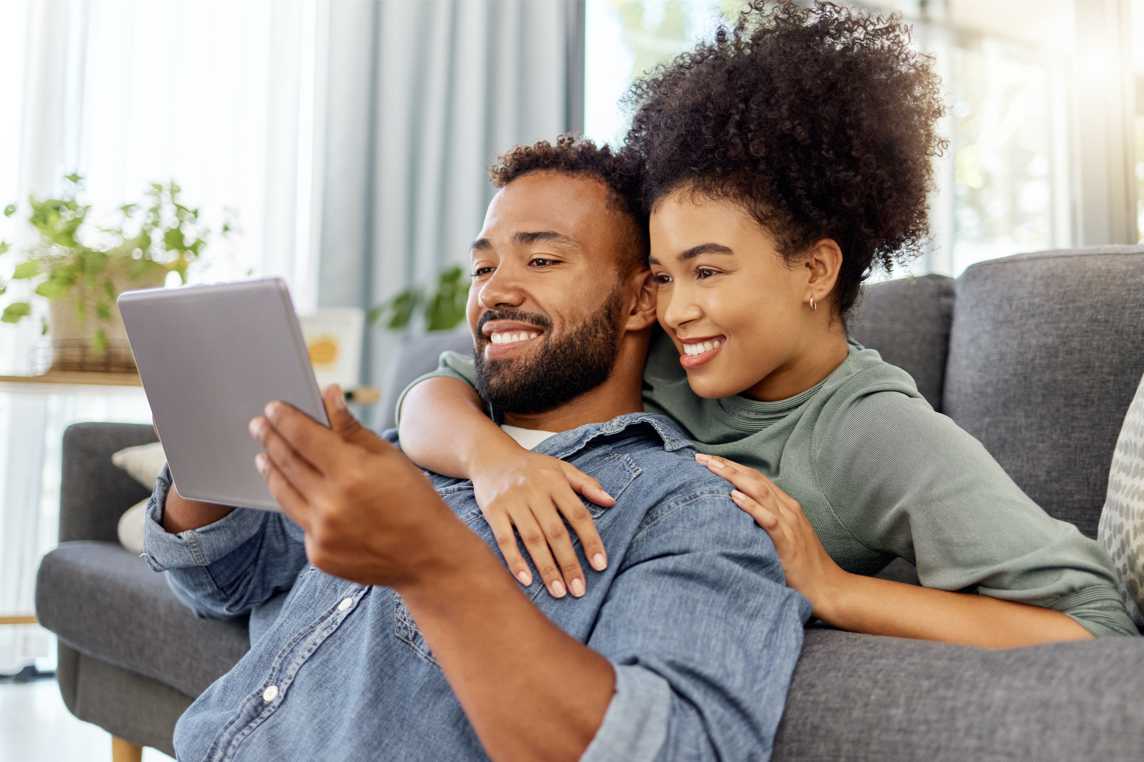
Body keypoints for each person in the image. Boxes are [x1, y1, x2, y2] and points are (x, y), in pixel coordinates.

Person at [396, 0, 1137, 647]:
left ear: (814, 270)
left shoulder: (873, 432)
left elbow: (1095, 622)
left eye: (708, 271)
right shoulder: (660, 347)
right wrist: (494, 462)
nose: (675, 310)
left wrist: (832, 588)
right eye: (663, 276)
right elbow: (439, 391)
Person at [141, 137, 810, 761]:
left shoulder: (683, 510)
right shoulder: (406, 456)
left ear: (639, 300)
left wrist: (434, 563)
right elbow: (225, 580)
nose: (494, 291)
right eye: (483, 266)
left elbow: (678, 748)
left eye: (542, 261)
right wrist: (210, 432)